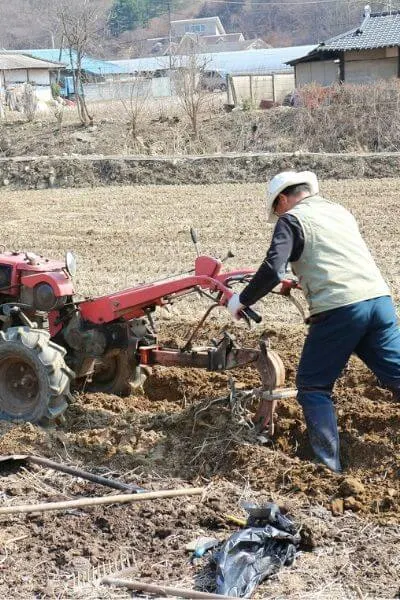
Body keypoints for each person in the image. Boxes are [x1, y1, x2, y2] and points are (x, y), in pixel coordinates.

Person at [227, 171, 400, 472]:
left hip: (340, 310)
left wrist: (240, 300)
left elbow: (271, 269)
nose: (278, 214)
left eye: (276, 209)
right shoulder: (338, 211)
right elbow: (330, 257)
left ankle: (328, 469)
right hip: (379, 302)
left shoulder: (291, 219)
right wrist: (301, 278)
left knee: (313, 386)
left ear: (283, 200)